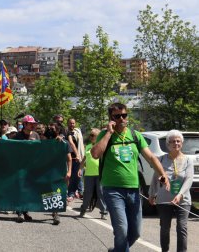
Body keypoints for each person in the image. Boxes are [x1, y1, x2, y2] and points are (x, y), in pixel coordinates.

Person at [90, 102, 169, 252]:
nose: (121, 118)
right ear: (111, 118)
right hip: (112, 190)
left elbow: (151, 158)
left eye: (124, 115)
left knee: (136, 232)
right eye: (117, 116)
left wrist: (162, 174)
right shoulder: (104, 135)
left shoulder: (135, 135)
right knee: (121, 229)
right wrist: (108, 133)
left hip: (133, 190)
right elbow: (95, 154)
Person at [148, 130, 194, 252]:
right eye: (173, 141)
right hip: (164, 200)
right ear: (168, 144)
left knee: (182, 227)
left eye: (178, 141)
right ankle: (165, 250)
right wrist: (152, 194)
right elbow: (154, 178)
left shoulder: (188, 160)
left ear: (182, 143)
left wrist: (180, 195)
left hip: (183, 200)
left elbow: (189, 179)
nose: (176, 143)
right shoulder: (162, 159)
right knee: (165, 228)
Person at [43, 122, 72, 225]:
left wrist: (69, 171)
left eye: (53, 128)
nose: (51, 130)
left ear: (58, 130)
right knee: (46, 191)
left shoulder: (64, 143)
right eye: (50, 128)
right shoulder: (45, 142)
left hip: (59, 172)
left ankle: (55, 213)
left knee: (56, 191)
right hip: (45, 171)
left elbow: (69, 159)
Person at [78, 128, 107, 220]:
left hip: (99, 173)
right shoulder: (88, 146)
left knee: (101, 193)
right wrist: (80, 168)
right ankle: (83, 209)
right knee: (87, 193)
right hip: (89, 174)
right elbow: (84, 159)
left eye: (92, 135)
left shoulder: (102, 146)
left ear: (98, 137)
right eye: (90, 135)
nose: (90, 137)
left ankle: (103, 212)